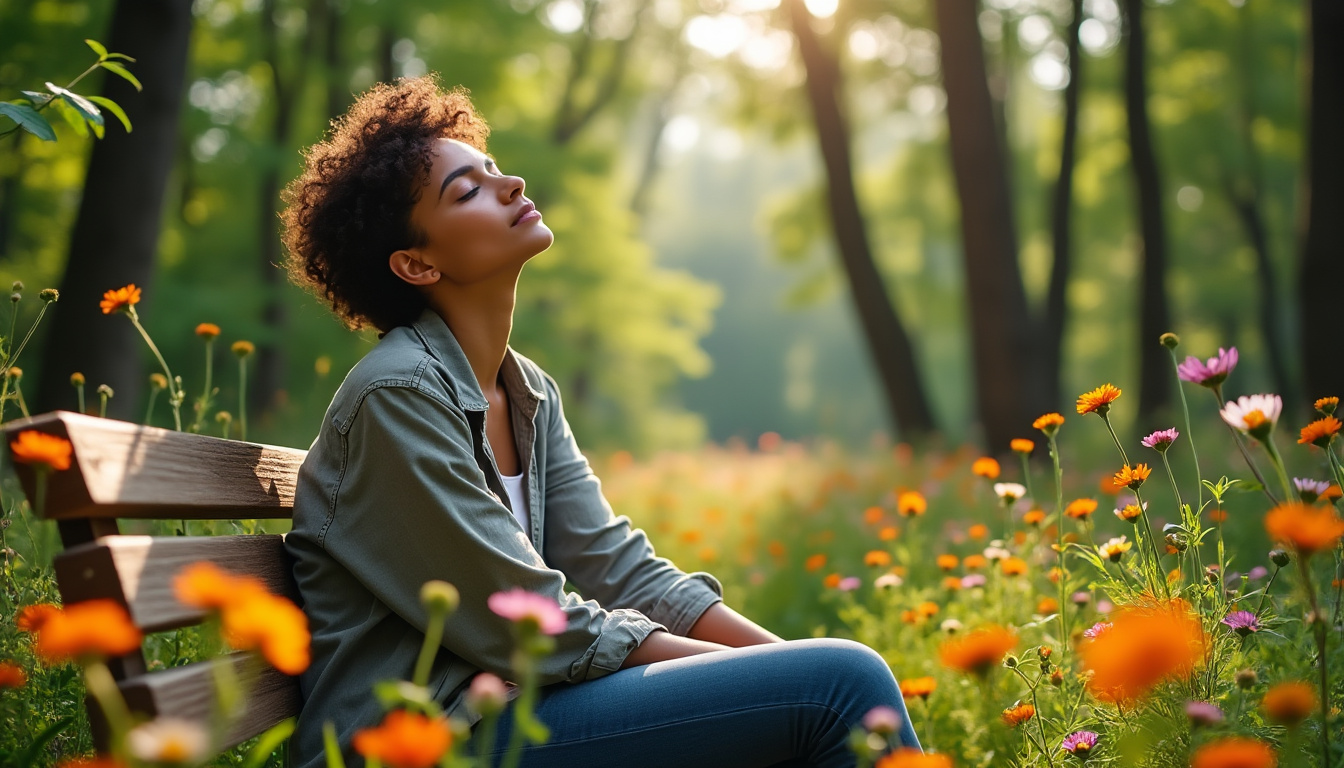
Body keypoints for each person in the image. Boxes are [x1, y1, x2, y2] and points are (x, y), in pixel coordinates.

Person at [279, 74, 920, 768]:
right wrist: (796, 687)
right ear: (416, 262)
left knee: (837, 685)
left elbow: (624, 570)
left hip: (510, 717)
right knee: (838, 684)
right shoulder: (396, 397)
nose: (513, 184)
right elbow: (529, 622)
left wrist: (783, 670)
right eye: (467, 191)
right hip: (426, 742)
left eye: (492, 169)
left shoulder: (526, 392)